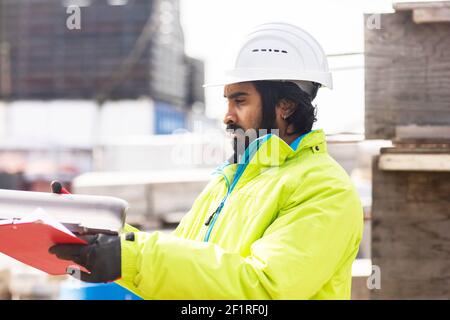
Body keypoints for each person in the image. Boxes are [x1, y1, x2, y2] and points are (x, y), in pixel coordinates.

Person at [50, 22, 363, 299]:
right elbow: (181, 270)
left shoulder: (324, 189)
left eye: (240, 100)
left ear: (285, 106)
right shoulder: (228, 181)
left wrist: (130, 257)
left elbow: (265, 289)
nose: (227, 116)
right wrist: (100, 235)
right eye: (227, 101)